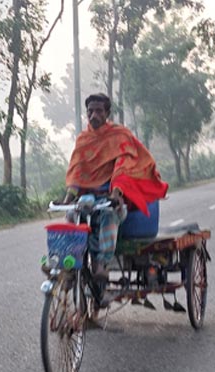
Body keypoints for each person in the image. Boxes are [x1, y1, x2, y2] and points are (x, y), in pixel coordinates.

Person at [63, 93, 169, 288]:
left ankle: (102, 262)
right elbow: (77, 171)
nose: (94, 115)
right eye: (90, 111)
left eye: (98, 111)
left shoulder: (119, 136)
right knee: (71, 215)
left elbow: (125, 167)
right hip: (88, 198)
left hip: (112, 198)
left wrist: (116, 193)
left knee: (109, 214)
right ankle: (69, 265)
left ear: (107, 113)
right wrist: (69, 197)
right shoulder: (83, 140)